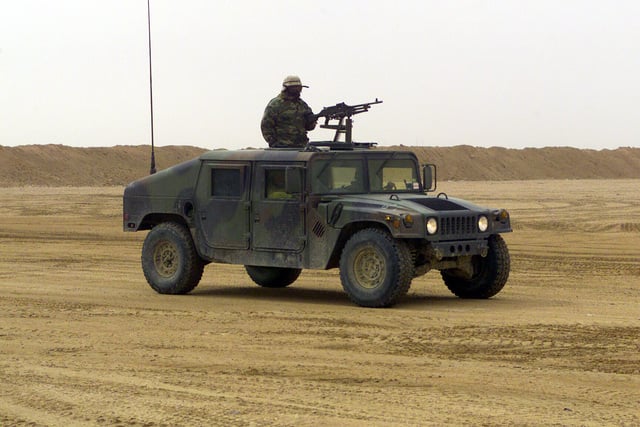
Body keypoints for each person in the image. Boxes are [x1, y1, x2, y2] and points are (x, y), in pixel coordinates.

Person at [261, 75, 316, 148]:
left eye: (299, 88)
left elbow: (309, 127)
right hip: (282, 148)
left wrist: (312, 120)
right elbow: (266, 125)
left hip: (301, 147)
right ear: (287, 88)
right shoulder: (276, 104)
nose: (297, 90)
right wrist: (273, 143)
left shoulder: (302, 105)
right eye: (294, 88)